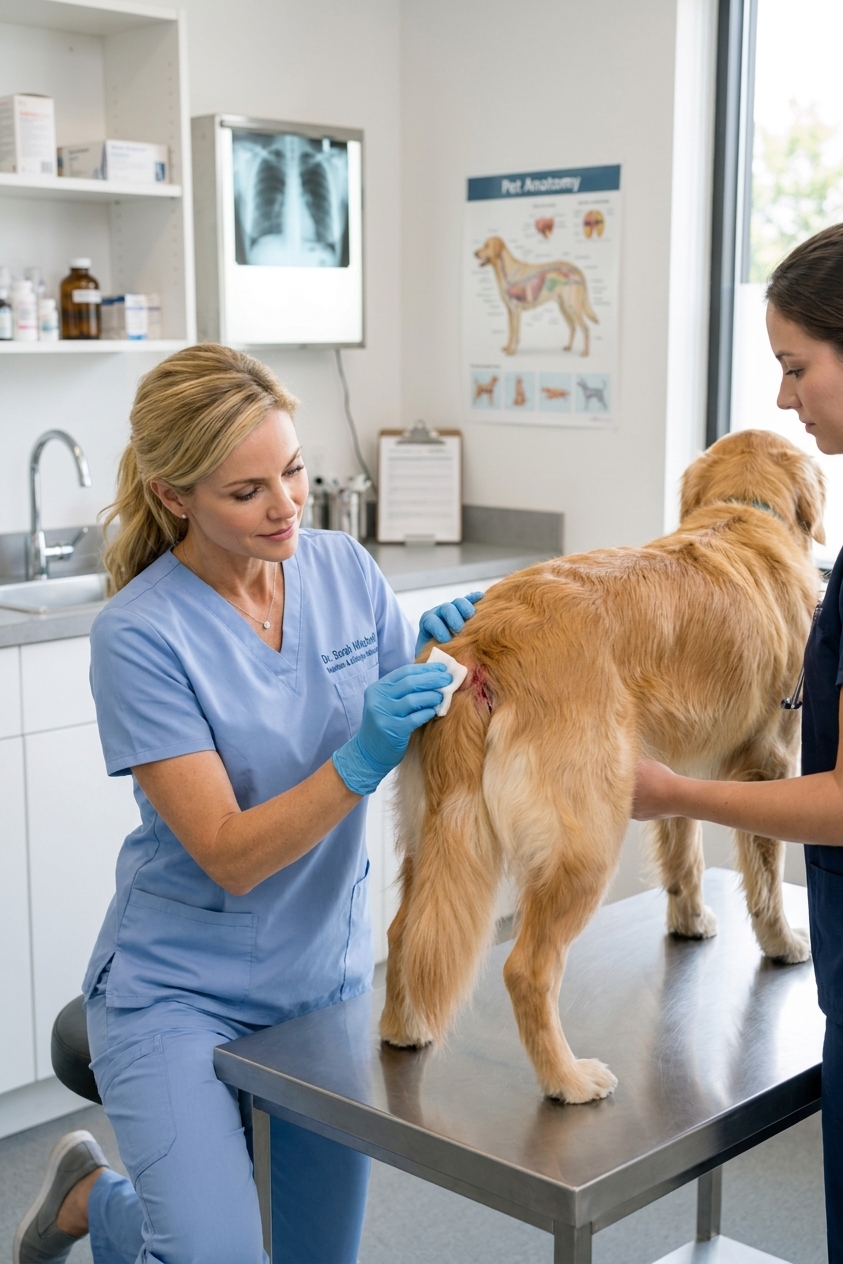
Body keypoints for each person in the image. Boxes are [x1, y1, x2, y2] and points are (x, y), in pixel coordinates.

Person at [14, 344, 481, 1264]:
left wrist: (441, 675)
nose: (287, 506)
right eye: (247, 491)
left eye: (296, 471)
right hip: (180, 993)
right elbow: (228, 851)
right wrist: (363, 753)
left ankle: (97, 1203)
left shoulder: (343, 570)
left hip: (323, 985)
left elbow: (405, 730)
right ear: (173, 495)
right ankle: (103, 1205)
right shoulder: (141, 635)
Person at [631, 222, 843, 1264]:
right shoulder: (805, 572)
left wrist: (674, 795)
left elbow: (833, 792)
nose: (782, 394)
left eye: (795, 365)